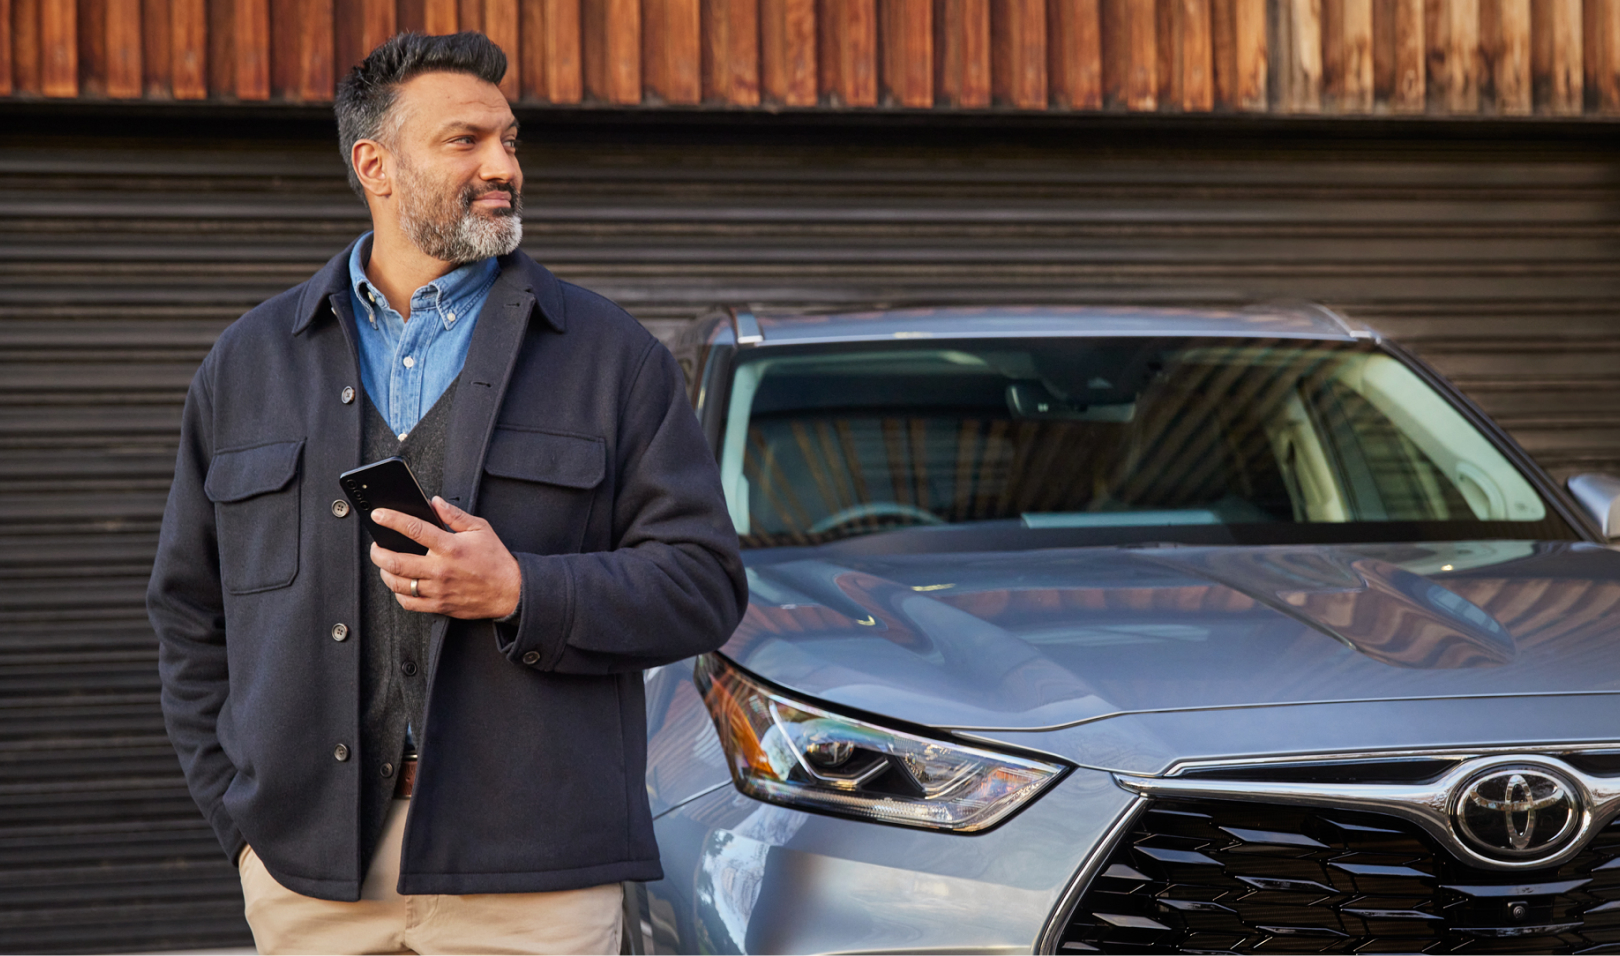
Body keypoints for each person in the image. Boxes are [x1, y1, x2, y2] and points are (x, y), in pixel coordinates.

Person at [147, 31, 747, 955]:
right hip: (309, 879)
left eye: (509, 140)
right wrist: (246, 827)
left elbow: (704, 585)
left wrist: (521, 592)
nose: (502, 165)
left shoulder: (609, 357)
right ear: (375, 165)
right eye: (465, 141)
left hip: (534, 879)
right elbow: (190, 613)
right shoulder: (247, 366)